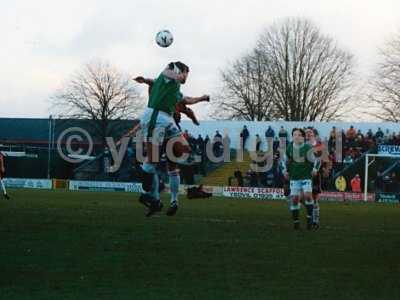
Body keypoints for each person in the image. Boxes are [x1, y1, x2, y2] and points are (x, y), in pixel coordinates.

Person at [135, 62, 210, 217]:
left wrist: (202, 98)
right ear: (182, 71)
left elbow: (187, 101)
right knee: (152, 162)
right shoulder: (170, 74)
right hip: (155, 117)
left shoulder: (174, 90)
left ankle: (190, 191)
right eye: (187, 74)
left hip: (166, 121)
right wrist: (179, 74)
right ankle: (148, 195)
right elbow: (166, 74)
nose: (186, 78)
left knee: (187, 152)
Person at [280, 128, 320, 230]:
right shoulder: (289, 148)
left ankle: (310, 218)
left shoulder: (307, 147)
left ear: (302, 137)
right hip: (294, 177)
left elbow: (317, 160)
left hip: (306, 176)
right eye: (294, 135)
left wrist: (315, 169)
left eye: (298, 135)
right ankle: (296, 222)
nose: (296, 137)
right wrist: (284, 171)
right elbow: (282, 161)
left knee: (307, 196)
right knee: (294, 199)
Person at [305, 128, 322, 229]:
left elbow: (319, 159)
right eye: (306, 132)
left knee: (314, 199)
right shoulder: (302, 145)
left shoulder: (317, 145)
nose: (308, 134)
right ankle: (310, 216)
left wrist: (315, 169)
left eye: (310, 132)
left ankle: (315, 220)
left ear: (313, 134)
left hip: (314, 175)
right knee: (304, 198)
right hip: (303, 174)